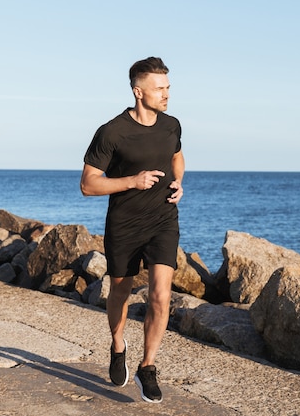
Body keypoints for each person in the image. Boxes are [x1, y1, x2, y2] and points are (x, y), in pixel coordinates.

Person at [80, 56, 184, 403]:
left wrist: (179, 182)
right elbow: (88, 185)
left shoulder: (172, 125)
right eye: (160, 89)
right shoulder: (112, 132)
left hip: (163, 221)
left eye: (168, 87)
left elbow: (177, 157)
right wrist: (132, 181)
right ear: (139, 92)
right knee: (120, 292)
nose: (167, 94)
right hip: (124, 224)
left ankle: (148, 367)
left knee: (160, 294)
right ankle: (117, 344)